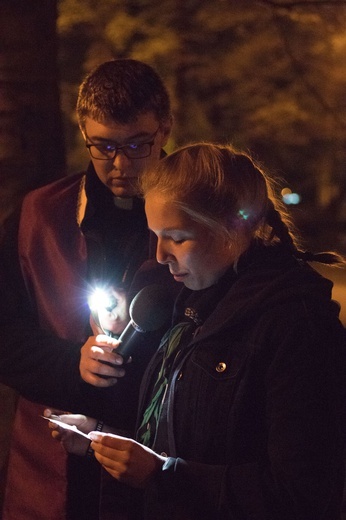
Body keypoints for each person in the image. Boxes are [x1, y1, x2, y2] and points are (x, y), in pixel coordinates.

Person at [49, 142, 346, 520]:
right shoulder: (191, 303)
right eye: (155, 234)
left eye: (176, 237)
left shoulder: (297, 326)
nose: (159, 254)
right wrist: (101, 437)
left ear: (231, 230)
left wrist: (163, 476)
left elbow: (304, 495)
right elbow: (182, 435)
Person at [0, 59, 176, 520]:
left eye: (138, 145)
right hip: (52, 477)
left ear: (166, 129)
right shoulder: (39, 215)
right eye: (103, 147)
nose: (120, 165)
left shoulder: (197, 216)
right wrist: (71, 364)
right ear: (84, 132)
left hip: (165, 467)